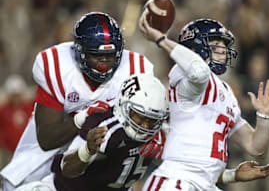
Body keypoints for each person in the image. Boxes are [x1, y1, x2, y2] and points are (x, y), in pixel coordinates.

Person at [1, 11, 154, 190]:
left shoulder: (135, 71)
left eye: (110, 55)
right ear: (79, 52)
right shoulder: (59, 67)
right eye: (96, 55)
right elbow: (47, 139)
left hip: (94, 164)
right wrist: (84, 117)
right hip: (41, 160)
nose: (104, 62)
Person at [139, 11, 269, 190]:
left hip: (206, 183)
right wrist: (162, 40)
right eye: (215, 43)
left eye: (224, 43)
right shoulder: (185, 76)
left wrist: (263, 116)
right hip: (176, 180)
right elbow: (198, 72)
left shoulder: (226, 91)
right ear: (193, 48)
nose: (222, 48)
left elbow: (256, 148)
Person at [14, 74, 169, 191]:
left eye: (152, 120)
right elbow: (66, 168)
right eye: (139, 116)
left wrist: (169, 155)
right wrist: (87, 151)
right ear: (123, 105)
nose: (145, 125)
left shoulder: (163, 134)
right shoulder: (106, 127)